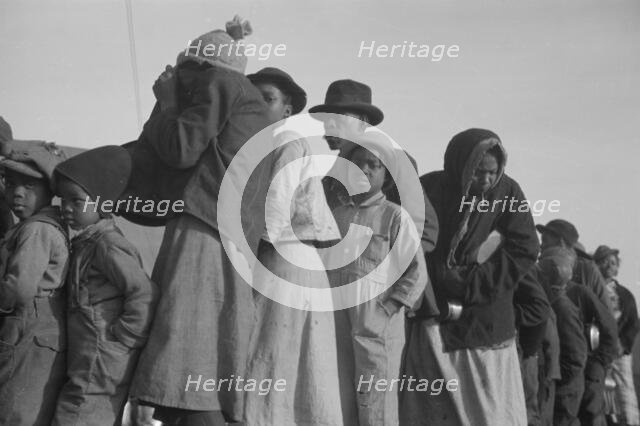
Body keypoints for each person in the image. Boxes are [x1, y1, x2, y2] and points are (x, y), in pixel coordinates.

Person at [128, 17, 273, 426]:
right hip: (232, 233)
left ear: (199, 67)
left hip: (201, 225)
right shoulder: (251, 101)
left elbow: (180, 148)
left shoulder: (219, 85)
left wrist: (169, 102)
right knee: (208, 352)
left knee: (185, 343)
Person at [400, 128, 540, 426]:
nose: (486, 180)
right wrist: (438, 275)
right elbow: (411, 237)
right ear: (460, 164)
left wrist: (472, 282)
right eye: (478, 172)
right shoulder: (432, 188)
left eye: (492, 172)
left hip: (485, 325)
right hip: (434, 319)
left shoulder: (508, 193)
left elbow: (524, 247)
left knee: (489, 412)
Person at [242, 67, 345, 425]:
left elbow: (276, 205)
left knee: (274, 354)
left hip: (285, 257)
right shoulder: (259, 146)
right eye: (253, 98)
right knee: (298, 361)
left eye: (267, 99)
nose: (258, 106)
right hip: (288, 259)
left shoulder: (286, 142)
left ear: (287, 110)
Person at [326, 135, 435, 425]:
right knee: (339, 395)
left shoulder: (394, 217)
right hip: (336, 320)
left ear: (385, 175)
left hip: (377, 324)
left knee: (376, 401)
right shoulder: (336, 216)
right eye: (360, 163)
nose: (367, 170)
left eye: (375, 165)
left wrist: (386, 310)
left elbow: (415, 272)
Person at [52, 146, 158, 425]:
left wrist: (122, 337)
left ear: (102, 205)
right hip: (90, 352)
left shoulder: (107, 244)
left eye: (76, 201)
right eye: (62, 199)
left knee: (77, 413)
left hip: (103, 354)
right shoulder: (87, 240)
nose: (65, 208)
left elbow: (143, 292)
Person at [309, 79, 438, 253]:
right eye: (327, 119)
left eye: (339, 118)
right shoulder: (332, 177)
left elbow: (424, 233)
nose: (329, 125)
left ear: (363, 122)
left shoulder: (394, 161)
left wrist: (385, 267)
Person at [0, 143, 68, 425]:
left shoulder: (36, 229)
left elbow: (20, 288)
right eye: (11, 183)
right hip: (36, 325)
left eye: (29, 186)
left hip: (26, 323)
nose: (17, 192)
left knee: (13, 407)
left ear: (49, 191)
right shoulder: (37, 225)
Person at [537, 247, 588, 426]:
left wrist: (554, 379)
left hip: (564, 393)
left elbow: (576, 357)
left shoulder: (562, 307)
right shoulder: (555, 303)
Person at [594, 245, 640, 426]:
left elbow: (632, 324)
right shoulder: (591, 290)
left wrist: (623, 344)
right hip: (596, 349)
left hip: (619, 350)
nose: (608, 266)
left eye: (612, 263)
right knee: (597, 387)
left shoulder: (625, 295)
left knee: (625, 389)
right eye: (604, 262)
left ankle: (630, 422)